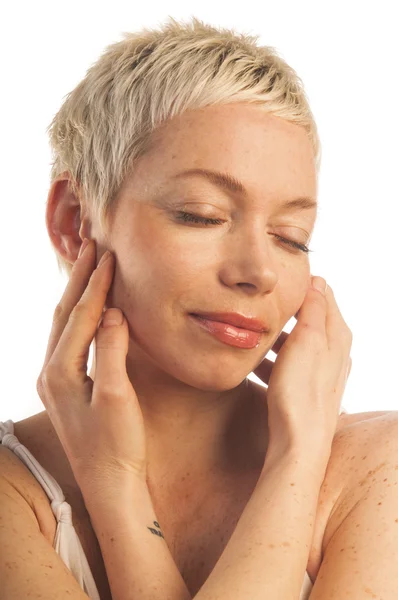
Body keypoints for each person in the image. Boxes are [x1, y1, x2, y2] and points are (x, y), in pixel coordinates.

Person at [0, 15, 393, 600]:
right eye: (202, 215)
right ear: (73, 221)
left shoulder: (379, 466)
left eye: (292, 236)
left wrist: (299, 457)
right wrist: (116, 483)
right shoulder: (14, 494)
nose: (258, 272)